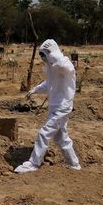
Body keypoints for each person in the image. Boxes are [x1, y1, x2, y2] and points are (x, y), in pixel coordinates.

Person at [15, 39, 81, 174]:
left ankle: (34, 163)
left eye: (44, 55)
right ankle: (73, 163)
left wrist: (55, 56)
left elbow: (67, 68)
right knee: (61, 137)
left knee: (44, 133)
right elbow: (49, 83)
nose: (43, 58)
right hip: (55, 106)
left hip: (62, 107)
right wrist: (35, 89)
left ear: (51, 53)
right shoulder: (53, 68)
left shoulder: (64, 64)